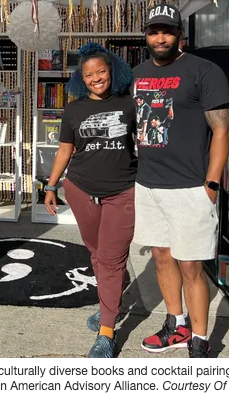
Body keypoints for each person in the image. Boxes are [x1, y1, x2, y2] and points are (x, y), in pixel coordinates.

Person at [132, 3, 229, 358]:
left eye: (167, 31)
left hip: (190, 187)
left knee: (191, 265)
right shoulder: (138, 73)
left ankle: (201, 341)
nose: (160, 38)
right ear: (146, 35)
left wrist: (211, 184)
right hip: (148, 185)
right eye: (154, 31)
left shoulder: (204, 71)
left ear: (180, 35)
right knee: (162, 256)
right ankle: (176, 324)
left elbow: (222, 130)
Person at [44, 42, 137, 358]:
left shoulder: (129, 105)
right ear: (80, 79)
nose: (96, 78)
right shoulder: (74, 109)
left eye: (101, 71)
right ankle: (109, 303)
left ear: (112, 71)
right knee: (98, 255)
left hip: (123, 192)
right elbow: (64, 151)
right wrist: (51, 186)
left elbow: (149, 141)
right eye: (89, 74)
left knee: (111, 259)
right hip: (80, 190)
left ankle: (107, 334)